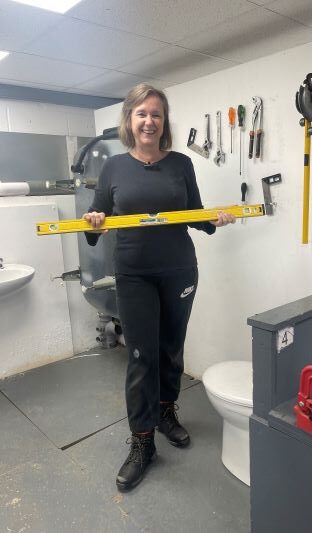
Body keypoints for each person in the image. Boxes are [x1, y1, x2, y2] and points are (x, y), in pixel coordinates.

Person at [83, 83, 235, 492]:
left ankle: (167, 413)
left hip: (179, 270)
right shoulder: (114, 169)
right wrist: (93, 221)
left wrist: (214, 219)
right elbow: (96, 225)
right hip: (134, 275)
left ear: (163, 122)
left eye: (156, 114)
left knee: (171, 348)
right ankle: (142, 442)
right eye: (142, 114)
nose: (149, 121)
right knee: (140, 356)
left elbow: (192, 213)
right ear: (130, 121)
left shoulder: (181, 164)